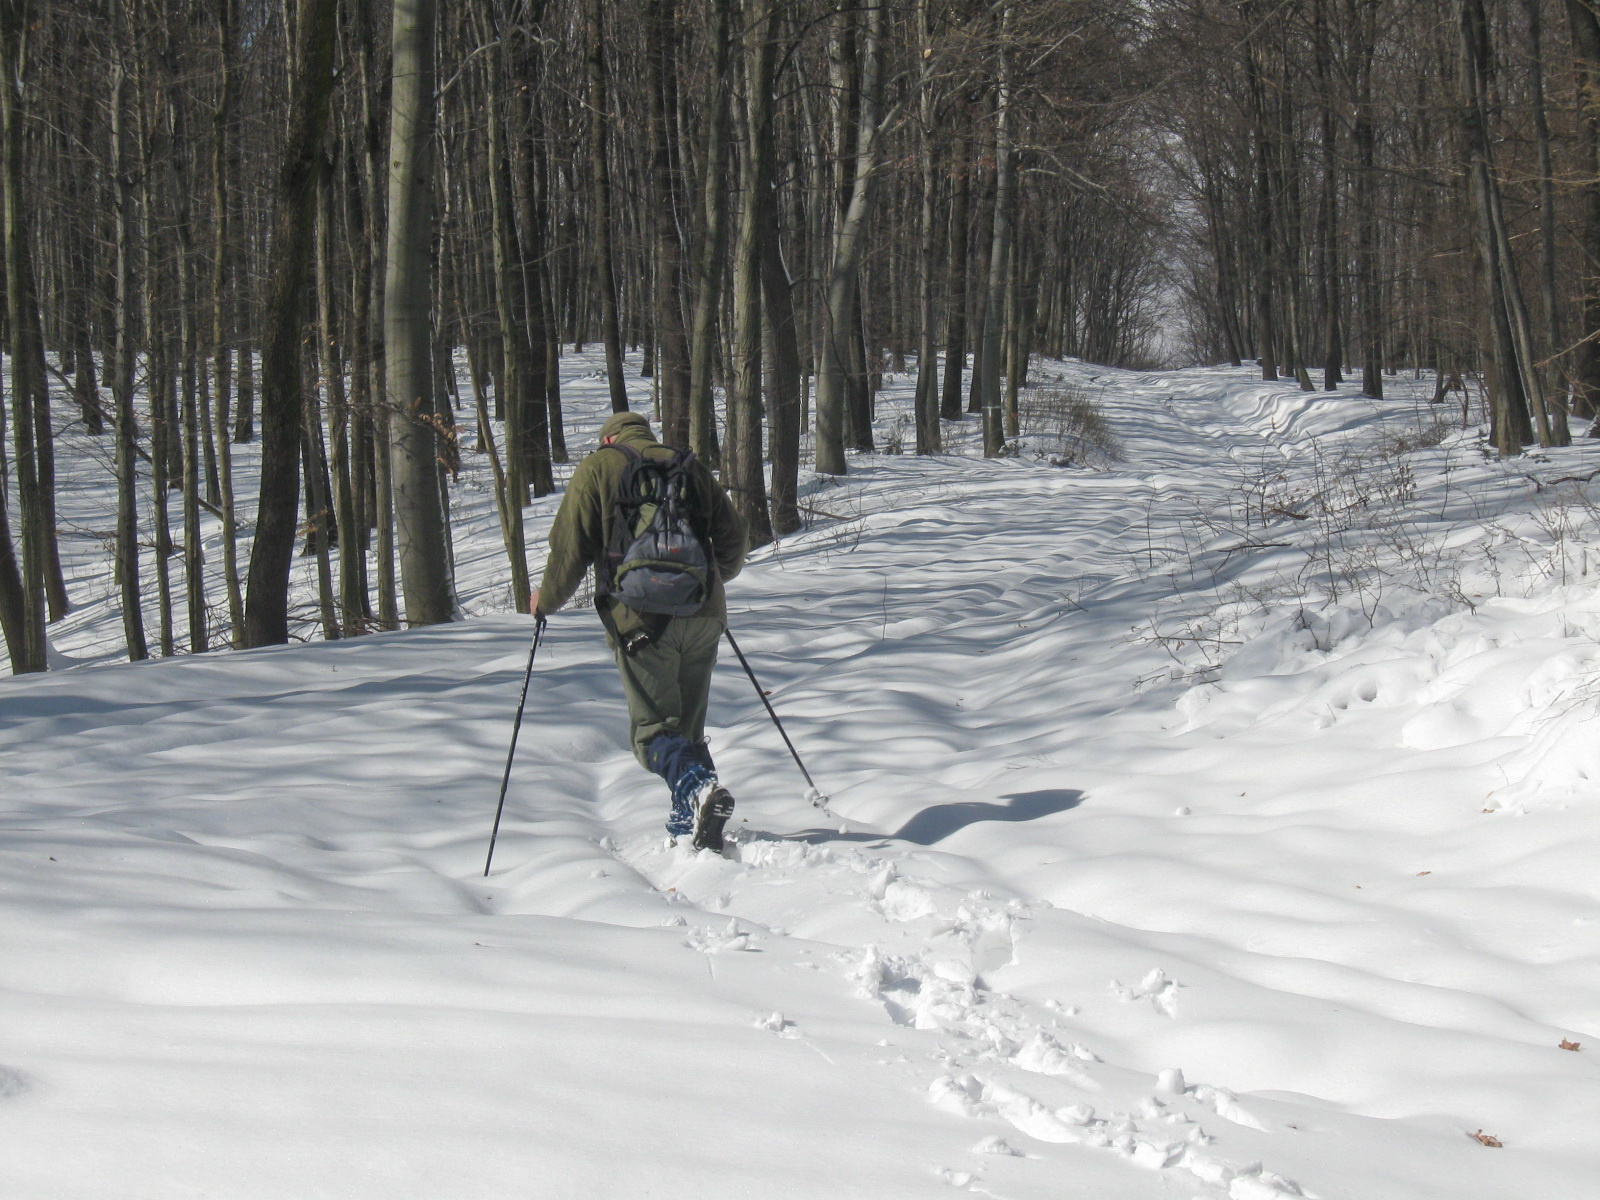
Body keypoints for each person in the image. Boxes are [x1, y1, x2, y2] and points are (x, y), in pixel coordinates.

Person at [533, 411, 748, 850]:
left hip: (640, 620)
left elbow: (569, 547)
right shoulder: (688, 466)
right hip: (704, 614)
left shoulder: (599, 466)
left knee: (652, 733)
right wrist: (702, 583)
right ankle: (688, 822)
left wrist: (545, 601)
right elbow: (733, 541)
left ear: (608, 438)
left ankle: (700, 790)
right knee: (687, 729)